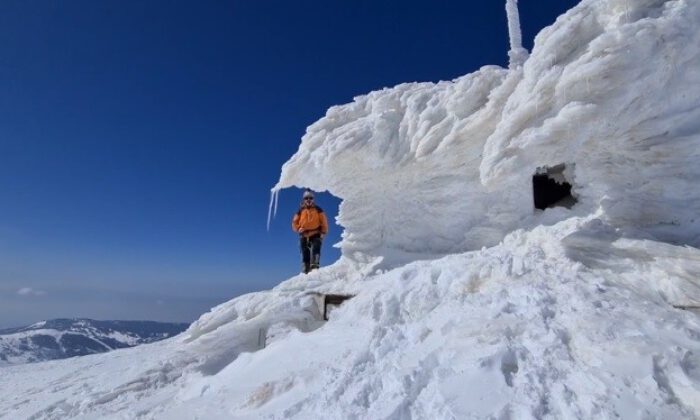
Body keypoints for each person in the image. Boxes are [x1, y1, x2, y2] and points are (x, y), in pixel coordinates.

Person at [292, 190, 328, 274]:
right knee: (304, 251)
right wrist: (298, 229)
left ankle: (315, 266)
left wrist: (323, 232)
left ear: (313, 199)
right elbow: (294, 222)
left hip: (316, 233)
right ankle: (306, 268)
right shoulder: (300, 211)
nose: (308, 200)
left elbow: (324, 221)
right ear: (303, 200)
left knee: (316, 247)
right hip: (303, 234)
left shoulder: (318, 210)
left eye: (310, 198)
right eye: (306, 198)